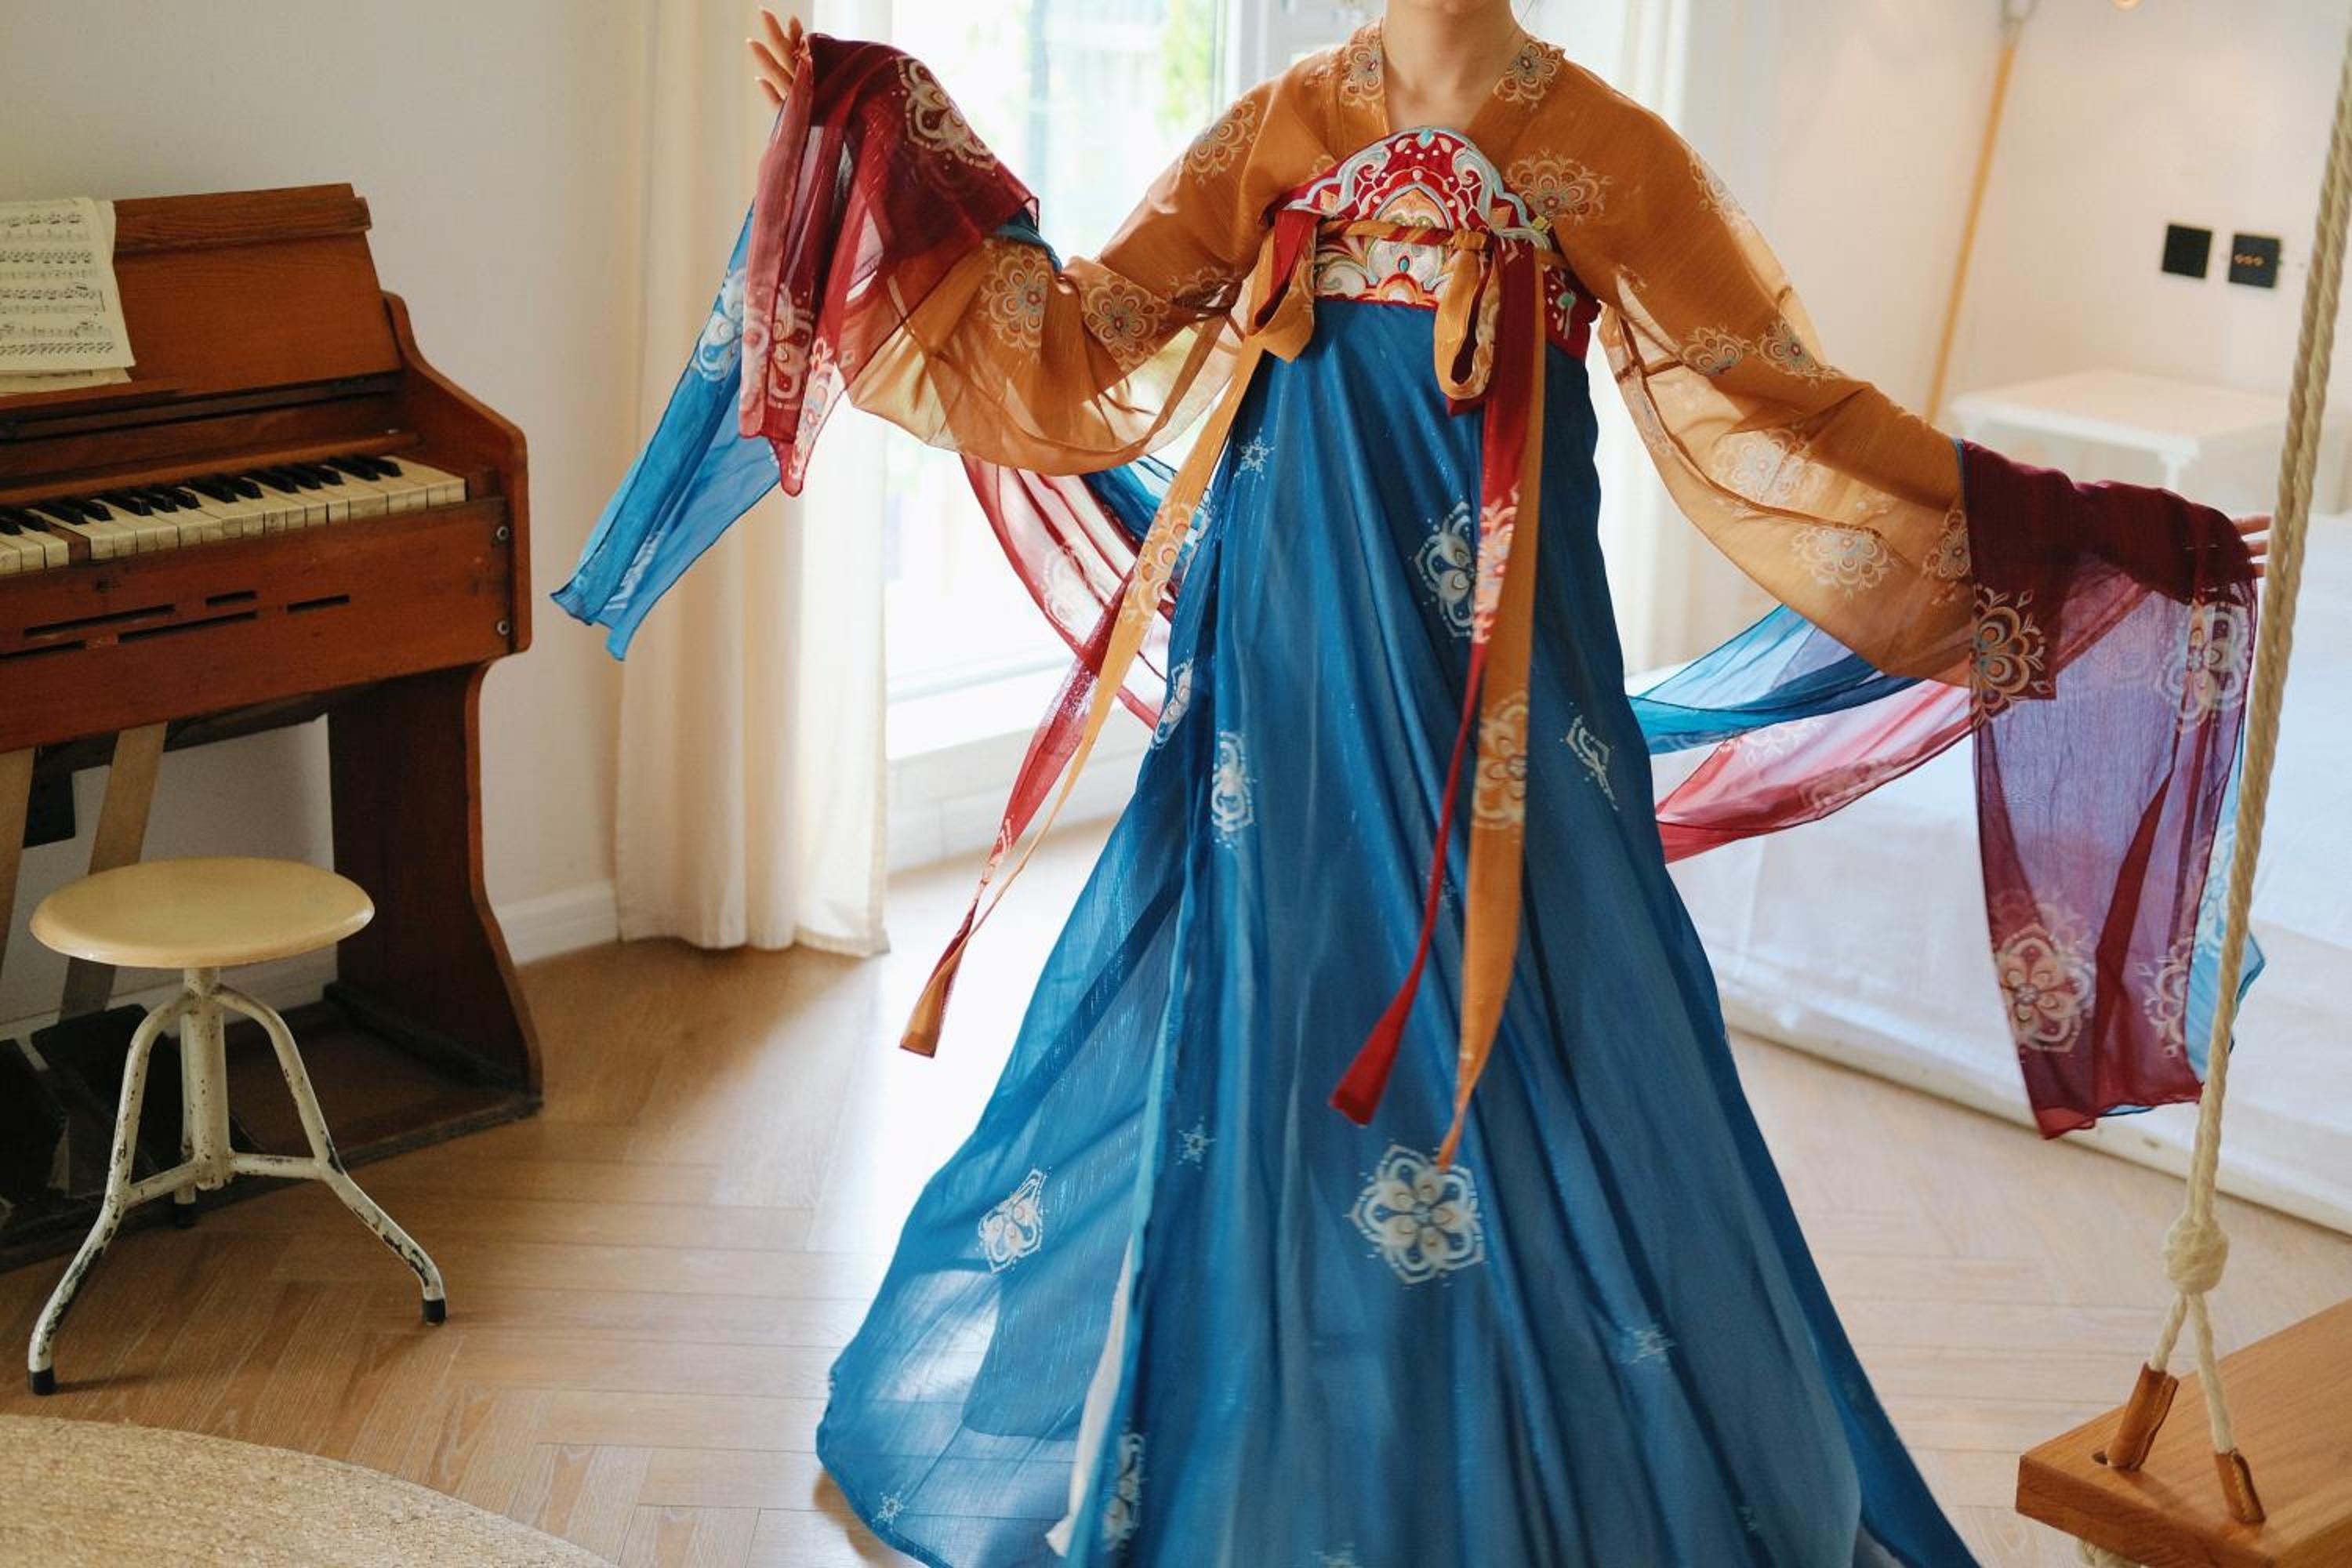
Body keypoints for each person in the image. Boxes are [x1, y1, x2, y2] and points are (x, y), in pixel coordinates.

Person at [561, 5, 2270, 1562]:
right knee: (1276, 1020)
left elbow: (1799, 416)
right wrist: (886, 129)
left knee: (1556, 1015)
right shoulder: (1284, 121)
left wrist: (2091, 534)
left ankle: (1551, 1458)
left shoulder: (1604, 144)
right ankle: (1277, 1446)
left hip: (1500, 689)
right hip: (1281, 662)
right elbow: (1073, 346)